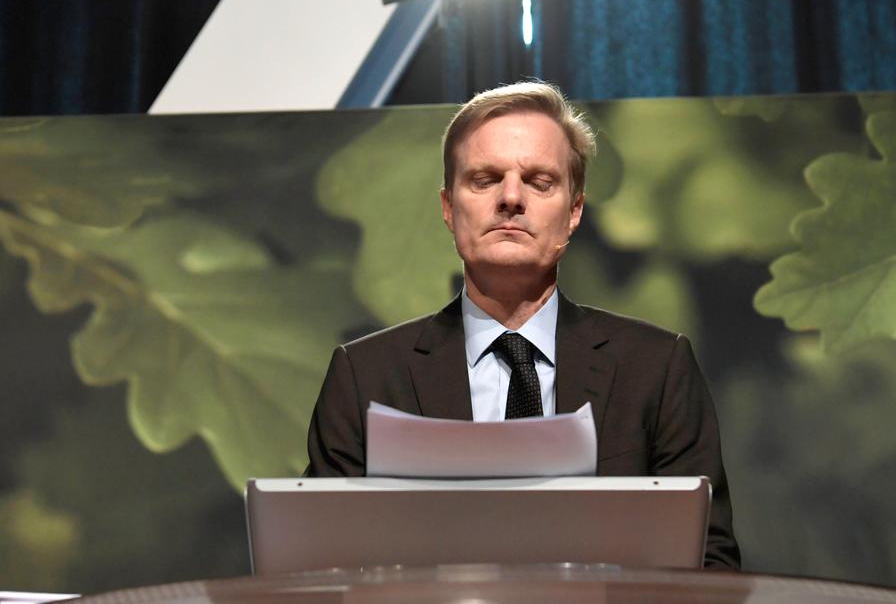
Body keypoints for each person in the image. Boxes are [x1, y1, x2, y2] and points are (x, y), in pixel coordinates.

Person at [304, 81, 741, 569]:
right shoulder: (363, 376)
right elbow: (320, 568)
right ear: (447, 208)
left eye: (539, 181)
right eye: (485, 179)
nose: (511, 197)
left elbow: (709, 563)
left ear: (574, 211)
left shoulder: (657, 369)